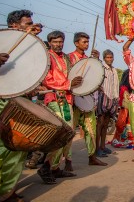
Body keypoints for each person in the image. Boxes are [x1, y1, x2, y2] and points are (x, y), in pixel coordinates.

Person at [0, 10, 42, 201]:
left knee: (18, 148)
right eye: (27, 23)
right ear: (14, 26)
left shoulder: (28, 47)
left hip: (19, 102)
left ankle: (7, 192)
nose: (32, 26)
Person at [37, 31, 82, 184]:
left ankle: (54, 168)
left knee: (67, 134)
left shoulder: (66, 58)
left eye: (60, 42)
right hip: (54, 99)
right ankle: (46, 166)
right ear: (50, 43)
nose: (58, 44)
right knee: (60, 134)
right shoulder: (46, 57)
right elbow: (47, 79)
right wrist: (68, 85)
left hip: (67, 98)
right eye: (55, 42)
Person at [68, 32, 106, 166]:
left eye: (87, 42)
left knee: (91, 129)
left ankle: (92, 156)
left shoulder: (89, 59)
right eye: (84, 42)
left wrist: (97, 60)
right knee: (70, 131)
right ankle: (68, 161)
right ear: (76, 43)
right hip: (73, 99)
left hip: (88, 99)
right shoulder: (69, 58)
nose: (87, 44)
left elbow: (95, 77)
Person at [96, 50, 119, 156]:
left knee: (106, 124)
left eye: (111, 57)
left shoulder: (114, 70)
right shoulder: (101, 68)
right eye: (108, 57)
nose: (109, 59)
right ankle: (97, 148)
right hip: (103, 97)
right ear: (104, 58)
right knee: (100, 124)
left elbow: (115, 85)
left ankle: (103, 146)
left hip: (112, 98)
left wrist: (116, 98)